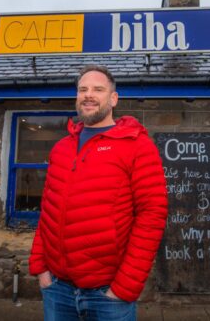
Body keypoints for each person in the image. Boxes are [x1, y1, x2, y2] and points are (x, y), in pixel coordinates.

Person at [29, 65, 168, 321]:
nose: (88, 95)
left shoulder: (137, 145)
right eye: (83, 89)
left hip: (108, 294)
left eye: (98, 89)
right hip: (57, 289)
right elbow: (48, 209)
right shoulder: (61, 148)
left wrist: (124, 287)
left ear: (113, 98)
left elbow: (153, 215)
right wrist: (41, 269)